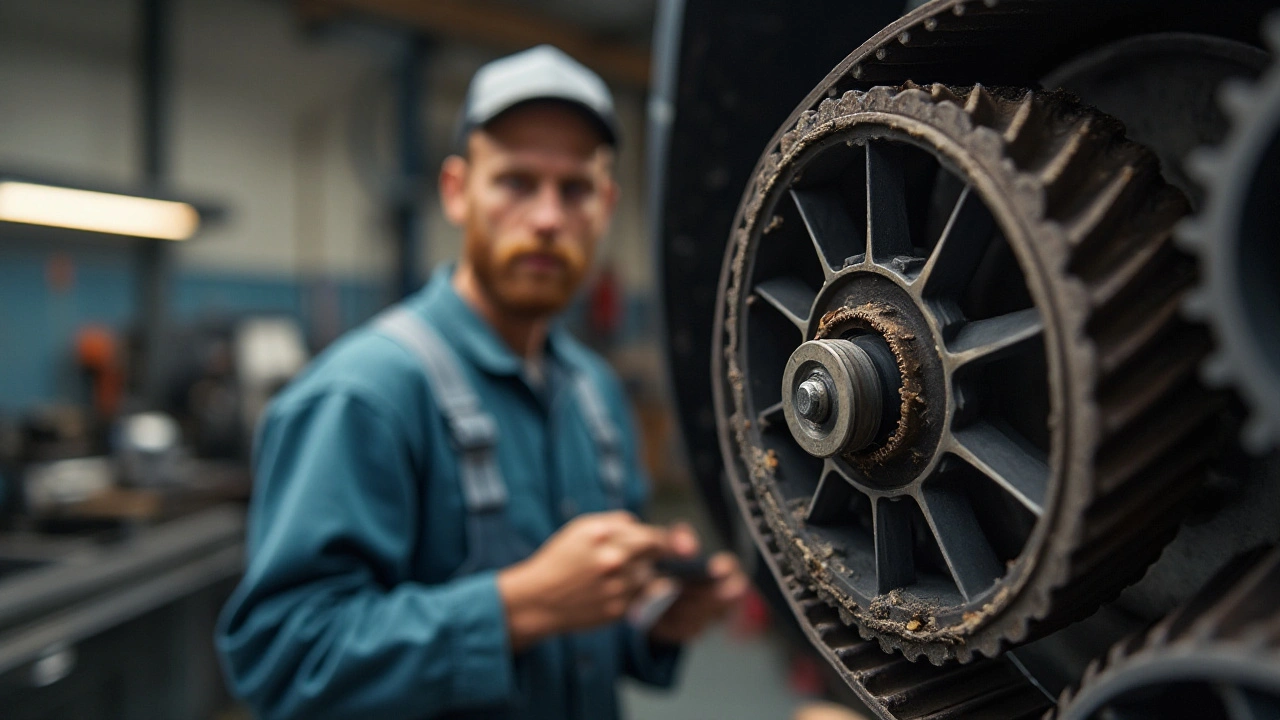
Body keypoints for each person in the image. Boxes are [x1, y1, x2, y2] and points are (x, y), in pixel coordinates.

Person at [216, 45, 748, 720]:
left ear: (607, 204)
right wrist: (520, 604)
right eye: (517, 183)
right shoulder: (361, 398)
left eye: (576, 188)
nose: (549, 218)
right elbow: (282, 660)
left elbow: (585, 636)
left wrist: (653, 615)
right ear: (456, 191)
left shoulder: (595, 393)